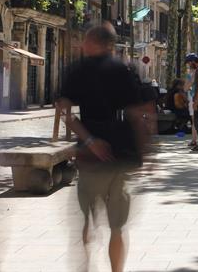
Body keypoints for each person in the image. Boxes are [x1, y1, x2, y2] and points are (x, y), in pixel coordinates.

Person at [56, 23, 152, 272]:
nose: (82, 45)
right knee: (118, 227)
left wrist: (89, 140)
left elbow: (65, 113)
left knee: (87, 219)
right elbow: (138, 114)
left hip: (90, 160)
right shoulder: (125, 71)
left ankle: (86, 266)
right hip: (119, 158)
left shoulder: (78, 70)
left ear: (93, 43)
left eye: (85, 40)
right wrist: (147, 154)